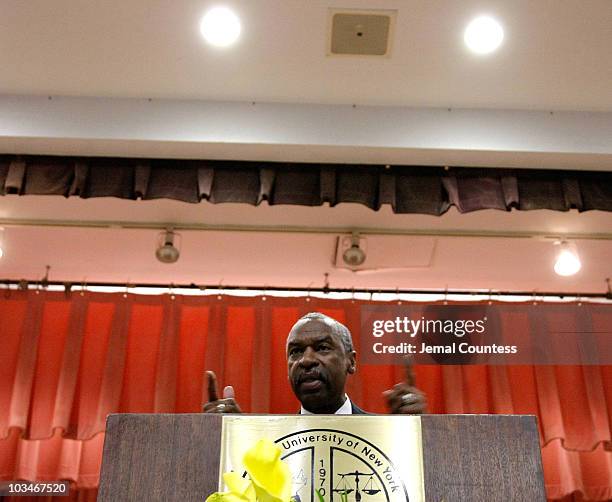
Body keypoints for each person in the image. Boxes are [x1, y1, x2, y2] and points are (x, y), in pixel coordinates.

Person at [203, 312, 426, 415]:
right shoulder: (265, 445)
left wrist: (415, 432)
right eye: (296, 351)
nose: (306, 360)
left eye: (322, 348)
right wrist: (230, 437)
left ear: (351, 361)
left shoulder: (389, 435)